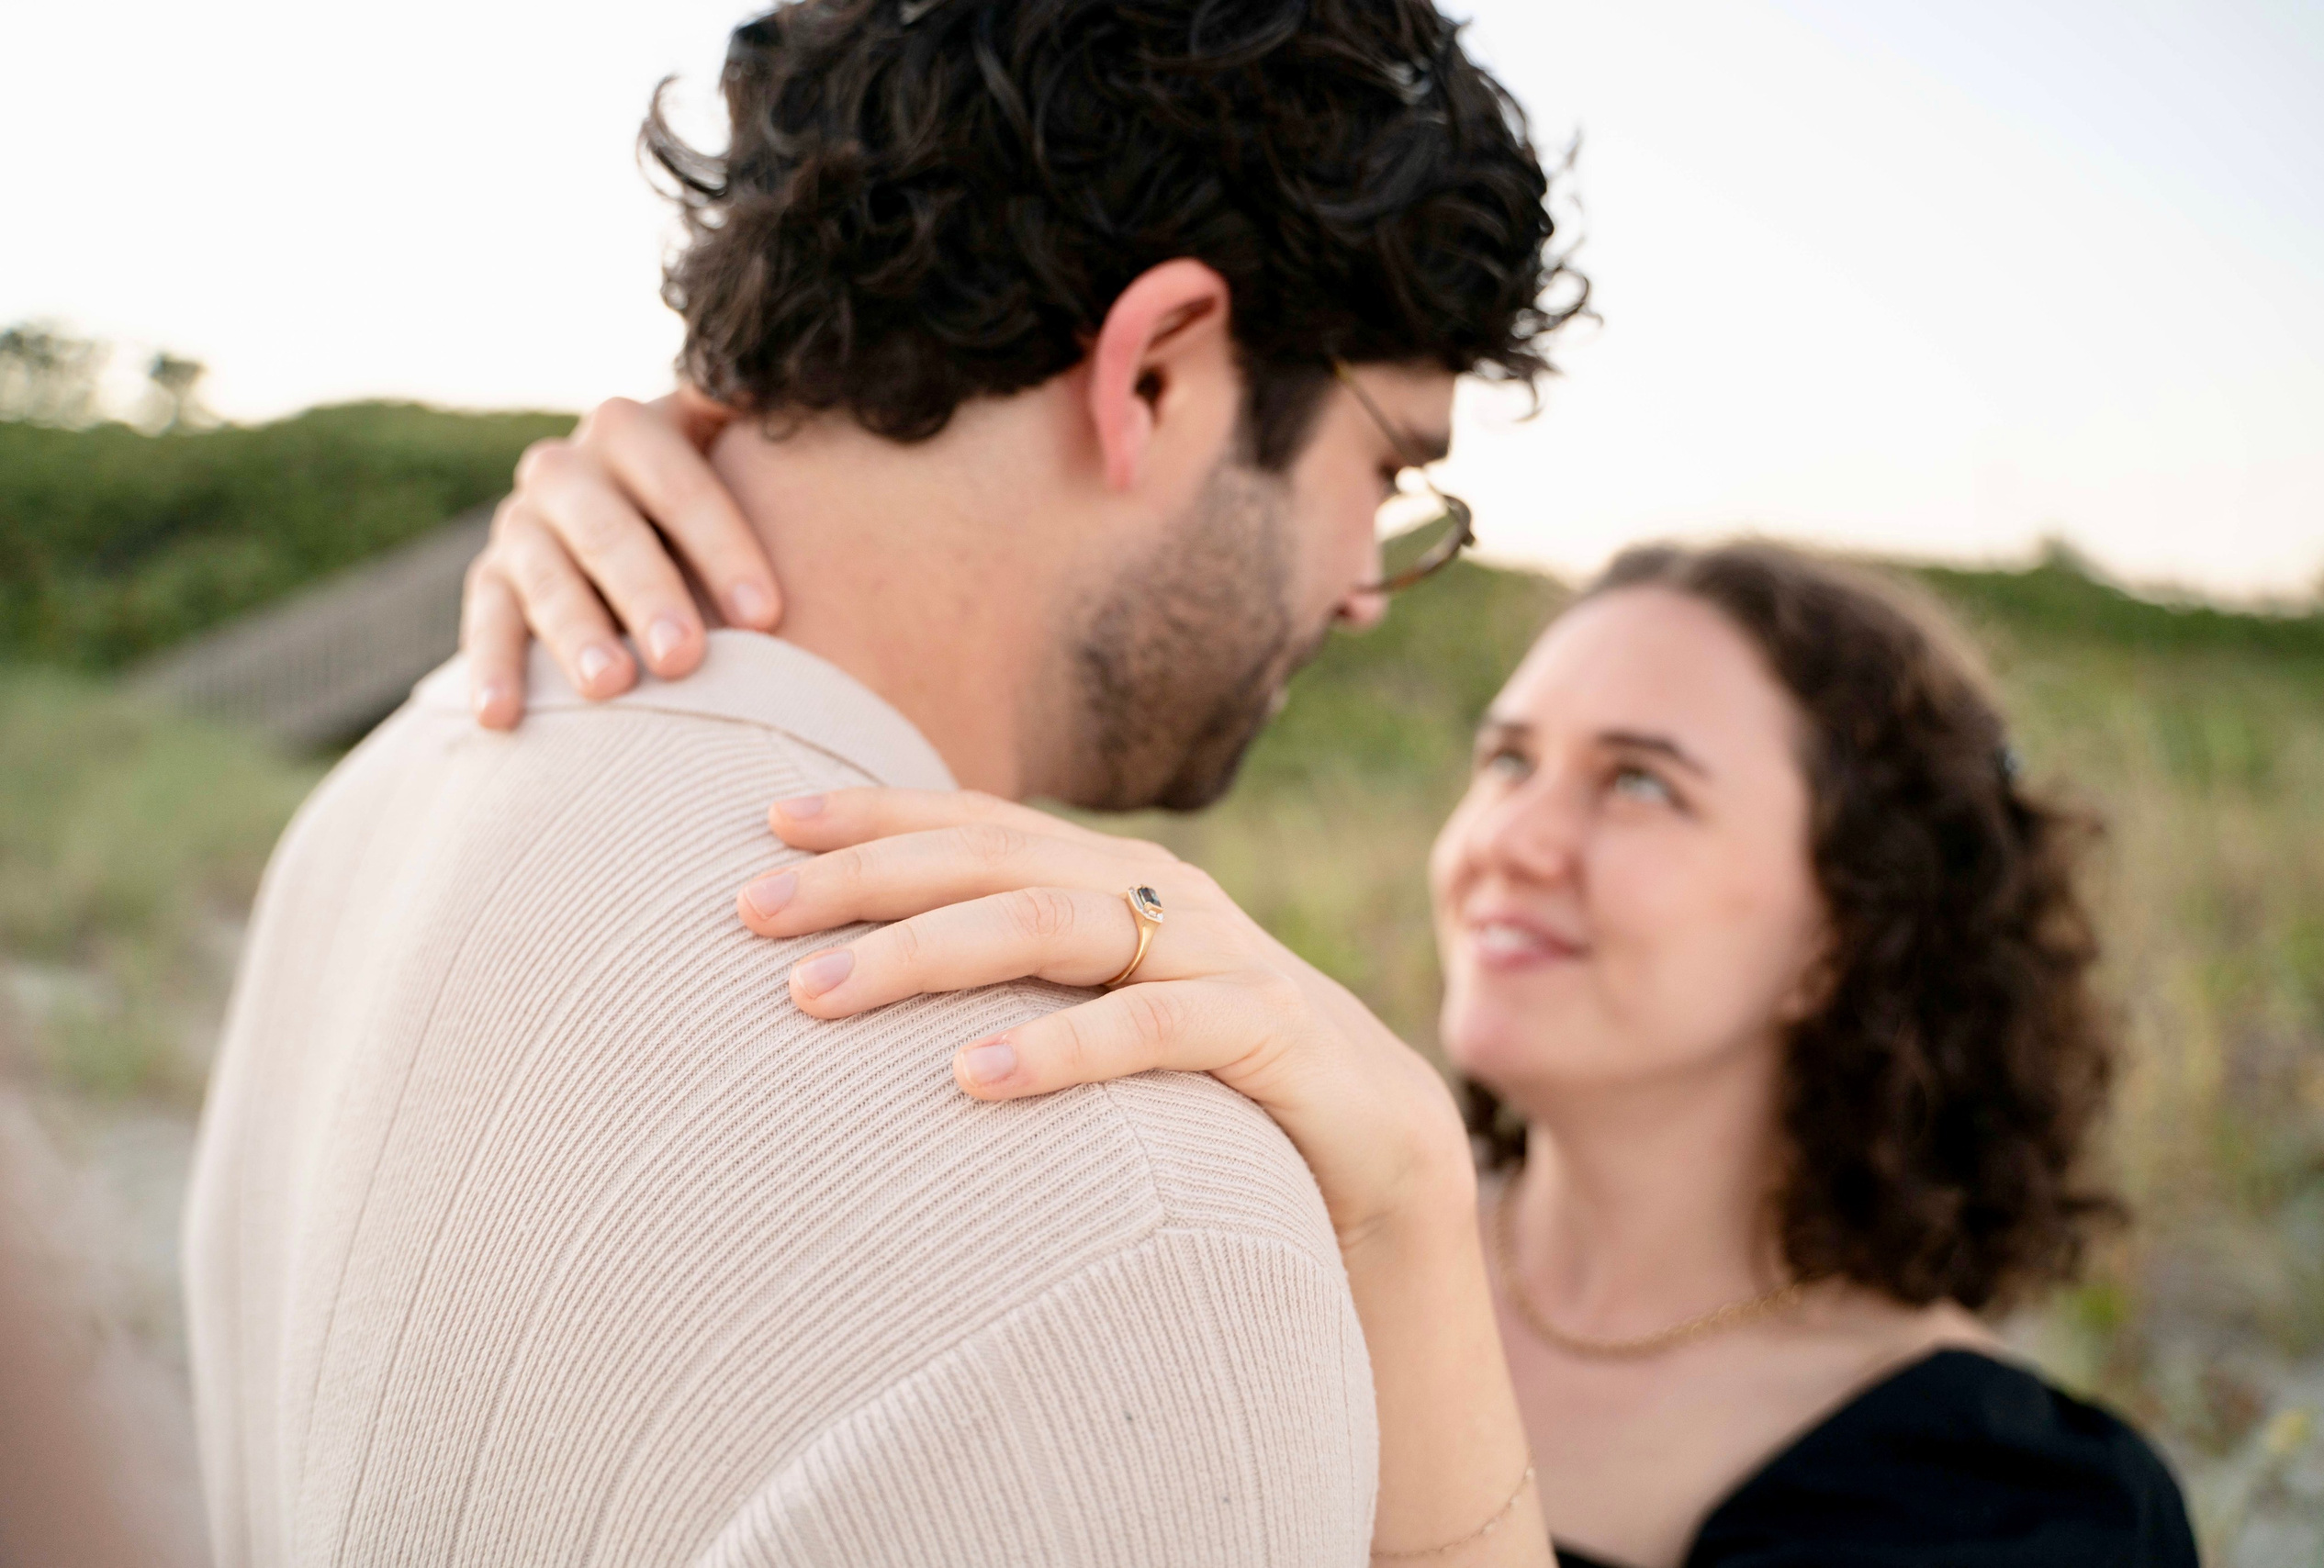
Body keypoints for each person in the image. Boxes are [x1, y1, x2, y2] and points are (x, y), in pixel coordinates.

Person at [181, 2, 1570, 1564]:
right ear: (1160, 372)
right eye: (1387, 473)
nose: (1368, 586)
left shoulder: (400, 775)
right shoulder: (1151, 1235)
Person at [475, 508, 2203, 1563]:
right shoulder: (1247, 1225)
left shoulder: (2019, 1508)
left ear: (1850, 928)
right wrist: (643, 525)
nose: (1515, 834)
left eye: (1642, 786)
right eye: (1510, 756)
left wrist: (1410, 1222)